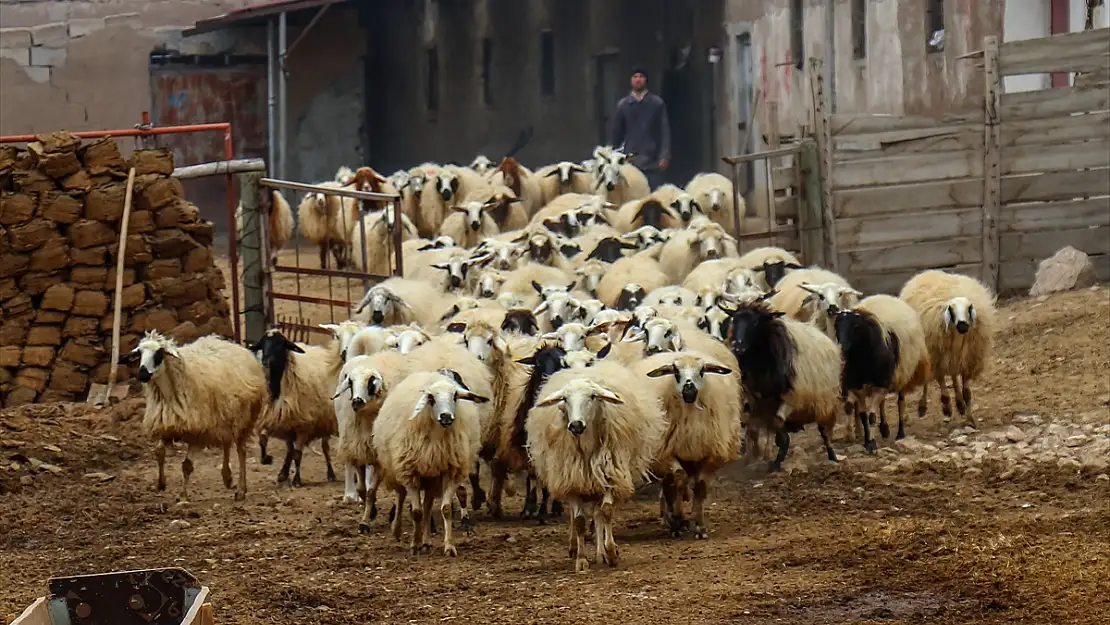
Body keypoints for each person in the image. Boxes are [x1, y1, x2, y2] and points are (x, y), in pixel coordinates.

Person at [608, 67, 672, 190]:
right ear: (631, 80)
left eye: (641, 77)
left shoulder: (656, 103)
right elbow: (616, 134)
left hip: (652, 160)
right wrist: (611, 155)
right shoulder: (624, 105)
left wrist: (665, 155)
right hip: (630, 160)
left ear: (646, 80)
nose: (638, 80)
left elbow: (664, 130)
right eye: (635, 77)